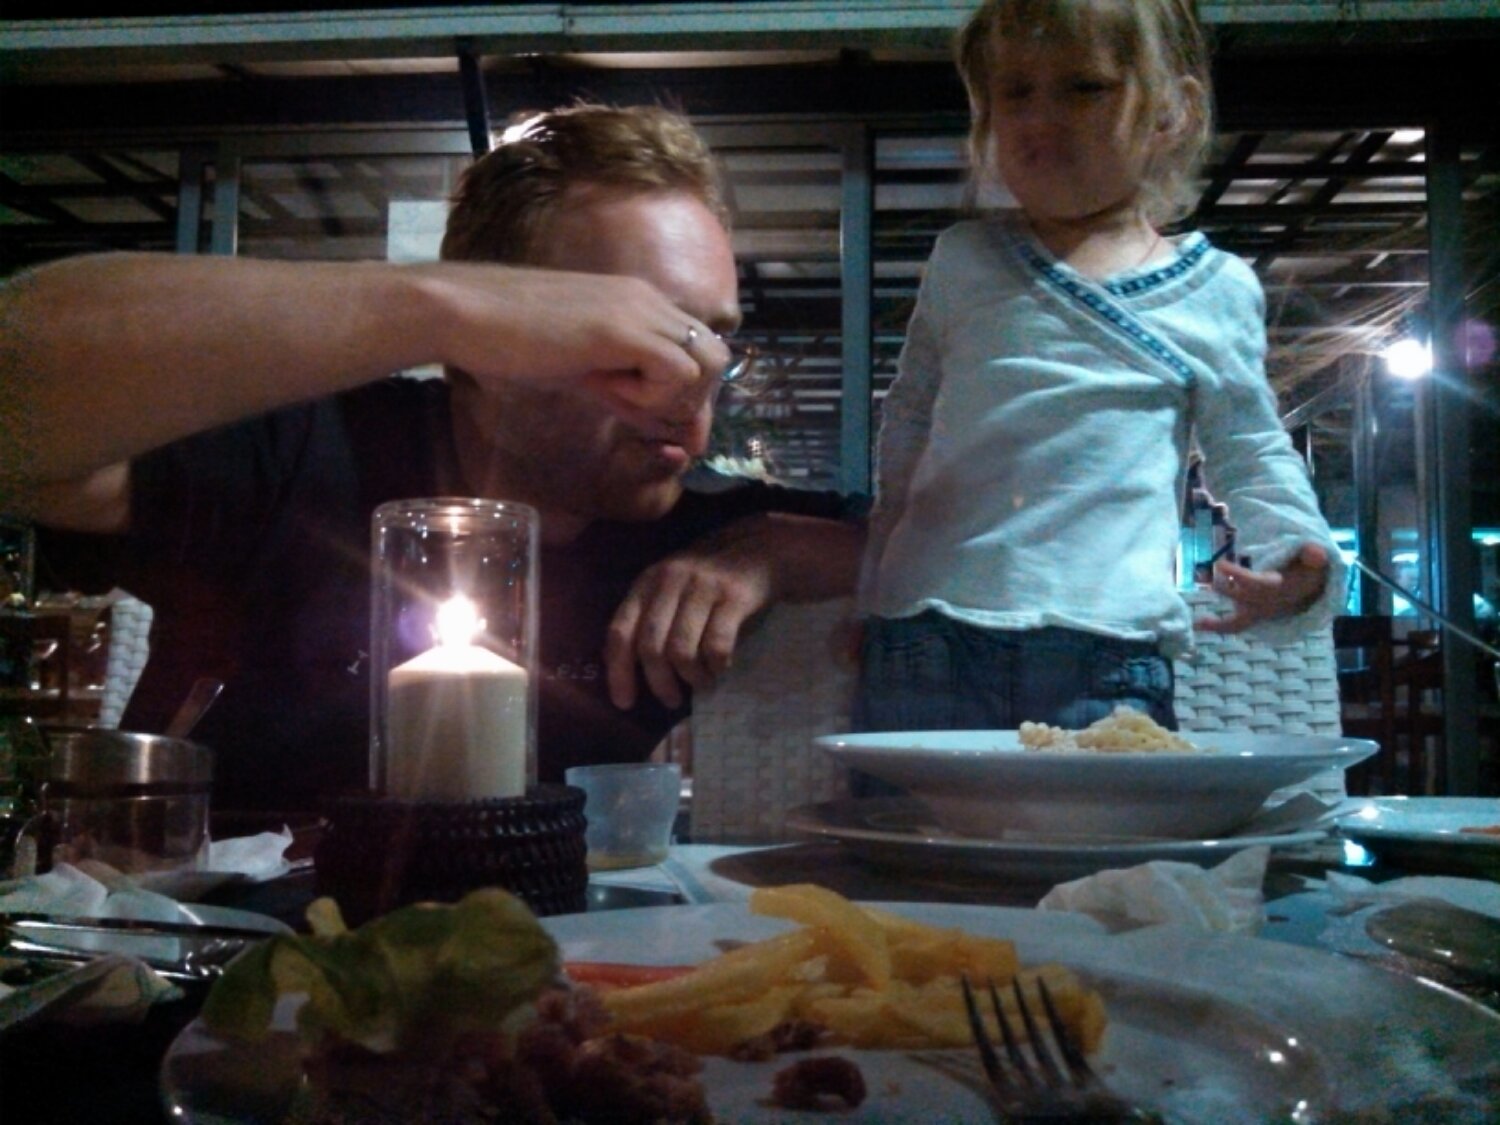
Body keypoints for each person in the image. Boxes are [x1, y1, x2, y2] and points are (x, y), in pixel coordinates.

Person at [2, 103, 862, 810]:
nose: (691, 383)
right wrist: (433, 306)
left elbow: (918, 560)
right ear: (490, 343)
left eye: (710, 338)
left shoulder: (709, 527)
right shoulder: (315, 452)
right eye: (629, 337)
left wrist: (771, 548)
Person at [855, 0, 1344, 735]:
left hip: (1109, 644)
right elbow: (909, 421)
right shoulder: (962, 261)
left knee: (1104, 816)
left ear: (1171, 113)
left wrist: (1295, 549)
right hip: (926, 629)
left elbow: (1249, 445)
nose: (1040, 117)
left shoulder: (1215, 290)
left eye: (1084, 87)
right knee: (911, 813)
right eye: (1015, 91)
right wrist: (874, 574)